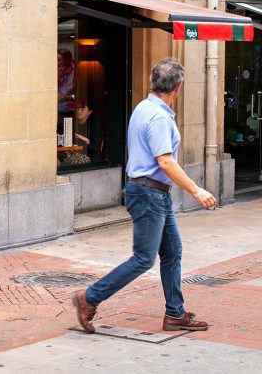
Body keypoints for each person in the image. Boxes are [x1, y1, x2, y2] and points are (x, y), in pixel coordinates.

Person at [72, 58, 217, 335]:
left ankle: (175, 313)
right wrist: (196, 190)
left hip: (152, 192)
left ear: (154, 83)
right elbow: (165, 161)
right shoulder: (159, 117)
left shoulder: (143, 107)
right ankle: (89, 297)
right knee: (143, 259)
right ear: (178, 88)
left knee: (172, 252)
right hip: (150, 193)